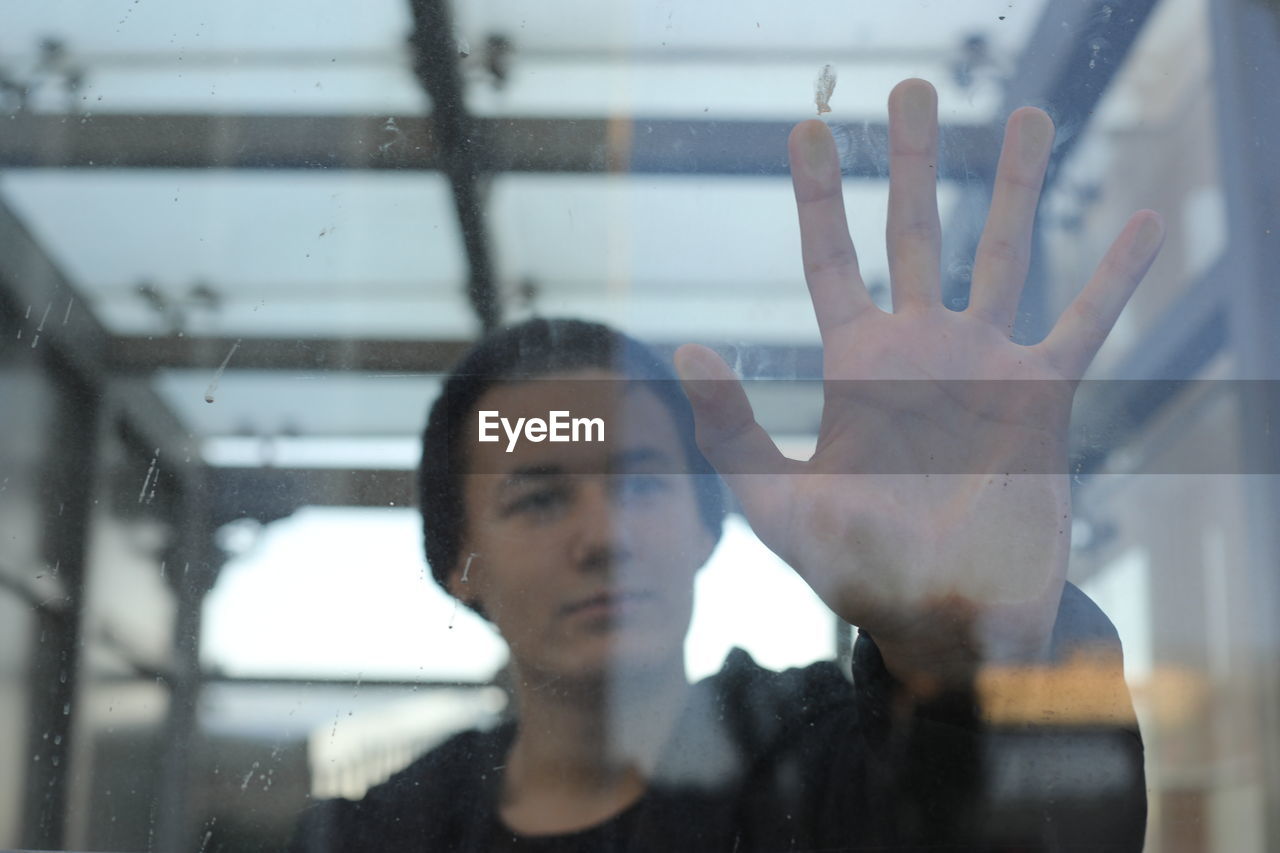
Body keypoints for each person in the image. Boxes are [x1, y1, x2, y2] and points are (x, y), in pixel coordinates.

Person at [291, 78, 1161, 851]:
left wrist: (968, 670)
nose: (604, 535)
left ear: (709, 525)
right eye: (539, 497)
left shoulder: (831, 760)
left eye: (641, 482)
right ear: (459, 560)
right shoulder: (376, 832)